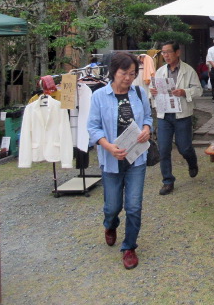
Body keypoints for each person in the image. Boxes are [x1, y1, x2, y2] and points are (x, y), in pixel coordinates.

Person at [87, 52, 152, 270]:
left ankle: (129, 247)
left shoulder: (138, 93)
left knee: (134, 206)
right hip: (111, 159)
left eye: (132, 73)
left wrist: (146, 129)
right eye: (124, 73)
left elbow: (149, 117)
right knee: (112, 206)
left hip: (137, 158)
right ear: (113, 71)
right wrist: (108, 147)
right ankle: (110, 224)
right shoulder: (99, 96)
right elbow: (93, 127)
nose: (128, 78)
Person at [149, 41, 203, 196]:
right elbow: (151, 91)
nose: (165, 55)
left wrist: (184, 92)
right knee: (164, 148)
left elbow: (198, 90)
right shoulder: (160, 72)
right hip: (164, 115)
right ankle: (167, 181)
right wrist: (152, 93)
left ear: (177, 52)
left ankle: (192, 162)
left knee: (184, 147)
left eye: (168, 52)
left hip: (182, 115)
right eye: (163, 52)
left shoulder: (188, 70)